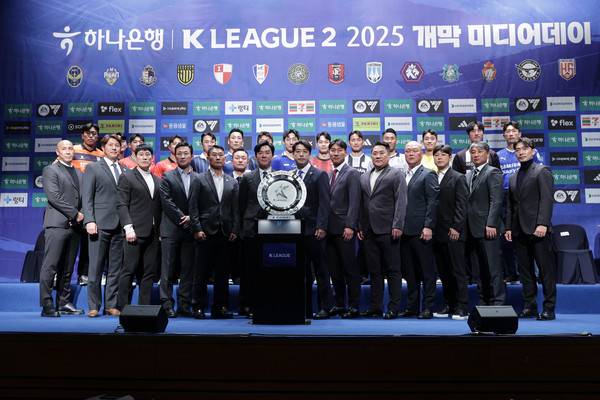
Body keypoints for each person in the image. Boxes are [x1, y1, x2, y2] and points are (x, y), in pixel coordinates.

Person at [505, 137, 557, 320]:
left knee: (545, 271)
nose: (521, 152)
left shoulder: (542, 171)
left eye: (524, 148)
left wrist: (543, 223)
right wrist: (509, 227)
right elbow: (511, 205)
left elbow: (547, 199)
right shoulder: (513, 177)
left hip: (538, 229)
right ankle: (530, 306)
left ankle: (549, 308)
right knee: (525, 271)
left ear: (533, 151)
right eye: (518, 149)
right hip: (518, 230)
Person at [189, 145, 240, 318]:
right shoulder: (199, 179)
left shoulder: (232, 181)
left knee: (222, 273)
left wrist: (235, 229)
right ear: (208, 158)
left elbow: (235, 209)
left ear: (225, 159)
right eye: (214, 155)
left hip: (225, 232)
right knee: (201, 272)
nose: (218, 157)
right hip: (204, 231)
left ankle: (221, 307)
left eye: (220, 155)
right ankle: (198, 306)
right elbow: (193, 206)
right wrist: (197, 228)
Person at [358, 142, 407, 319]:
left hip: (388, 229)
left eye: (381, 153)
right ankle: (376, 307)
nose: (378, 156)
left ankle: (393, 307)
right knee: (374, 271)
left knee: (393, 270)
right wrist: (360, 226)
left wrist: (398, 225)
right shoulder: (364, 176)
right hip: (368, 230)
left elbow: (401, 201)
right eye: (375, 153)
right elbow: (362, 203)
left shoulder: (396, 174)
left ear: (388, 155)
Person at [39, 140, 85, 317]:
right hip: (57, 224)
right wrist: (75, 213)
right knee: (50, 266)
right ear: (57, 152)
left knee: (67, 268)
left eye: (70, 148)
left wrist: (82, 214)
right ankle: (46, 304)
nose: (68, 151)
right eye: (64, 148)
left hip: (75, 227)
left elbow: (83, 197)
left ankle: (63, 302)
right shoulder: (50, 170)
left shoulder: (79, 172)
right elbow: (54, 196)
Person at [81, 134, 125, 317]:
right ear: (104, 148)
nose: (114, 148)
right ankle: (93, 306)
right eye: (111, 145)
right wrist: (89, 220)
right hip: (99, 224)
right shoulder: (93, 167)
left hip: (120, 225)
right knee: (95, 267)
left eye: (117, 145)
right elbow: (86, 196)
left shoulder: (124, 169)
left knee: (115, 269)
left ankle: (111, 305)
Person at [116, 145, 162, 310]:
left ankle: (144, 308)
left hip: (153, 233)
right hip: (134, 232)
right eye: (141, 154)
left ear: (152, 158)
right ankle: (122, 306)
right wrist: (128, 228)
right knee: (128, 270)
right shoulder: (127, 177)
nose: (144, 157)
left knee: (149, 272)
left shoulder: (157, 180)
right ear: (135, 157)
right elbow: (122, 204)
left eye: (147, 154)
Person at [497, 121, 543, 283]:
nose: (511, 134)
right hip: (506, 199)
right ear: (504, 135)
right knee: (508, 237)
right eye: (508, 131)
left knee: (531, 237)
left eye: (514, 131)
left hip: (528, 197)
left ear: (519, 133)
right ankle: (512, 272)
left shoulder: (531, 152)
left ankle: (535, 275)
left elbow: (539, 173)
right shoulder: (498, 155)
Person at [292, 140, 334, 319]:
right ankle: (305, 308)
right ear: (293, 154)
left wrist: (322, 226)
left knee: (321, 270)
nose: (301, 154)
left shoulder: (319, 174)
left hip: (315, 230)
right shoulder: (290, 176)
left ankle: (326, 307)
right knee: (302, 272)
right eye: (297, 151)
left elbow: (325, 203)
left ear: (309, 154)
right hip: (295, 230)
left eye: (304, 151)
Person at [158, 142, 199, 318]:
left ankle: (184, 304)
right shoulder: (167, 176)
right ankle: (167, 304)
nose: (182, 156)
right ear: (175, 156)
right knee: (167, 269)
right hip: (171, 228)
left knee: (188, 270)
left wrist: (192, 218)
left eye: (185, 153)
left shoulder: (199, 178)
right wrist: (183, 217)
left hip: (191, 230)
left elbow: (201, 202)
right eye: (179, 153)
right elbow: (166, 202)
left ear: (191, 156)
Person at [400, 141, 439, 319]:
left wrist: (428, 226)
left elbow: (433, 202)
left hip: (422, 230)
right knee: (410, 272)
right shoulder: (402, 174)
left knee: (427, 272)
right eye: (407, 151)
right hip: (404, 231)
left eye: (414, 151)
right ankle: (412, 306)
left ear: (421, 153)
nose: (410, 154)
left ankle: (428, 307)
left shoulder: (428, 174)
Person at [431, 144, 469, 320]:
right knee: (444, 272)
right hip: (437, 232)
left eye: (443, 155)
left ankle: (462, 307)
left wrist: (457, 227)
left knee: (457, 271)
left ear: (450, 157)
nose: (439, 158)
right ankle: (449, 304)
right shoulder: (432, 177)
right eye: (436, 155)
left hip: (453, 231)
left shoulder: (458, 177)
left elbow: (462, 204)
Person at [465, 142, 505, 306]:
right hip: (471, 228)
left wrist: (491, 224)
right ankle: (484, 300)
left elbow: (496, 201)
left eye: (479, 151)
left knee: (492, 267)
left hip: (488, 228)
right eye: (473, 152)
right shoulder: (468, 175)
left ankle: (498, 302)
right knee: (478, 269)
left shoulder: (492, 172)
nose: (476, 155)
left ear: (487, 154)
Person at [326, 140, 362, 318]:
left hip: (345, 230)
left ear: (345, 152)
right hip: (329, 230)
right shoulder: (329, 174)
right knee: (335, 271)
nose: (335, 153)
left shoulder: (352, 173)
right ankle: (340, 304)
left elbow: (355, 202)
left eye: (339, 150)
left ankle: (354, 306)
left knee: (350, 269)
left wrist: (350, 225)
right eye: (332, 150)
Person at [238, 141, 274, 317]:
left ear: (272, 155)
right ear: (256, 156)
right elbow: (241, 205)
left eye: (267, 152)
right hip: (251, 229)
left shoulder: (279, 176)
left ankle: (269, 302)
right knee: (249, 269)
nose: (264, 155)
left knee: (270, 268)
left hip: (273, 229)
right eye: (261, 153)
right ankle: (247, 304)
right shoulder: (247, 177)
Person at [72, 123, 104, 286]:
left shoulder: (101, 154)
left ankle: (84, 274)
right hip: (74, 202)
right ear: (82, 135)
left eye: (94, 133)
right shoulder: (73, 150)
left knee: (88, 241)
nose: (91, 136)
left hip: (92, 203)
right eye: (88, 133)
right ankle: (59, 275)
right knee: (70, 242)